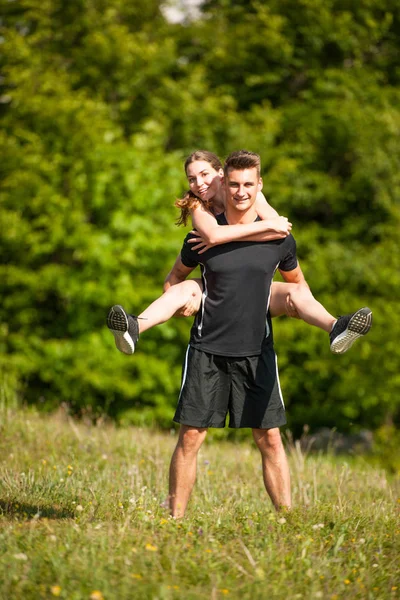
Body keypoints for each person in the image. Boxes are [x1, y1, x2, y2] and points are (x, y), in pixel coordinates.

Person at [107, 151, 372, 356]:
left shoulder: (244, 188)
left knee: (298, 292)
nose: (199, 184)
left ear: (220, 174)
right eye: (191, 178)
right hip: (217, 290)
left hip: (257, 289)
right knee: (182, 289)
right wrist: (180, 307)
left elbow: (282, 232)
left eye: (204, 175)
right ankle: (134, 328)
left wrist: (235, 235)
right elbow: (214, 237)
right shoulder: (198, 206)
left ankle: (336, 327)